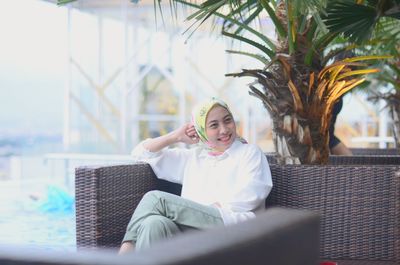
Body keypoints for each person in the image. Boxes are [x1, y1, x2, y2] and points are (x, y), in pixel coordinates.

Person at [119, 97, 273, 253]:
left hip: (233, 227)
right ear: (201, 131)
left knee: (156, 199)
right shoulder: (193, 157)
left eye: (228, 121)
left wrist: (213, 209)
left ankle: (125, 252)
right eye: (214, 125)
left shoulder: (249, 152)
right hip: (192, 233)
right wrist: (176, 136)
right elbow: (141, 153)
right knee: (153, 223)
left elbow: (254, 191)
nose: (224, 129)